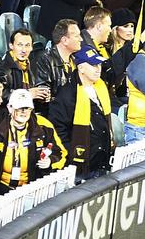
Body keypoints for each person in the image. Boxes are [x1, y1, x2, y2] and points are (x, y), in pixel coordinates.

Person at [0, 88, 66, 211]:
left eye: (27, 108)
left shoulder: (44, 127)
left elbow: (61, 153)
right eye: (19, 108)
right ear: (10, 108)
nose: (23, 112)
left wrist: (50, 162)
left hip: (32, 192)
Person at [48, 44, 113, 178]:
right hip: (81, 165)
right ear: (81, 68)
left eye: (99, 65)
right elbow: (58, 130)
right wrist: (72, 154)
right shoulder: (67, 95)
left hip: (102, 159)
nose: (98, 69)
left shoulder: (101, 87)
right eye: (93, 65)